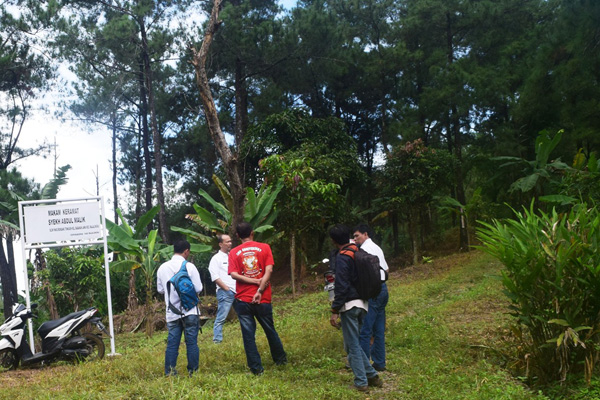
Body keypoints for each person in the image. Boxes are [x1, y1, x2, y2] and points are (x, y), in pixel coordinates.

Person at [228, 222, 287, 375]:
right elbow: (269, 270)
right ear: (252, 233)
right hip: (263, 298)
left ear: (237, 236)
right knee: (270, 330)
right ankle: (280, 360)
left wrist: (252, 282)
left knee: (248, 336)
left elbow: (234, 274)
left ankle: (256, 369)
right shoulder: (265, 247)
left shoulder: (234, 252)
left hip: (243, 299)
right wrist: (259, 287)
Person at [329, 224, 383, 392]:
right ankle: (372, 376)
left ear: (333, 241)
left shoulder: (343, 257)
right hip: (364, 304)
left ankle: (361, 381)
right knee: (355, 345)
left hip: (350, 305)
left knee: (351, 346)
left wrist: (334, 310)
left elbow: (342, 286)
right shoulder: (357, 250)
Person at [156, 239, 203, 376]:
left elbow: (160, 290)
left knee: (172, 344)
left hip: (172, 312)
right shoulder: (189, 266)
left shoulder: (162, 268)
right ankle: (193, 372)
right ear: (186, 251)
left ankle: (170, 372)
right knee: (191, 343)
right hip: (190, 311)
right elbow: (199, 288)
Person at [353, 224, 389, 372]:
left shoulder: (365, 250)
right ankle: (380, 362)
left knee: (365, 330)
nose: (355, 239)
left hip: (373, 292)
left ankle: (364, 366)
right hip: (383, 289)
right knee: (379, 329)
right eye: (353, 237)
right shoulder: (376, 247)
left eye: (357, 236)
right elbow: (386, 269)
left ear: (365, 234)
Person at [208, 234, 235, 343]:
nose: (230, 243)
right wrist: (226, 289)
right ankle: (217, 340)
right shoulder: (216, 259)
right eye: (227, 242)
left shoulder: (232, 256)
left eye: (230, 241)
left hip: (237, 291)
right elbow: (215, 277)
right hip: (225, 292)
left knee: (244, 315)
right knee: (221, 318)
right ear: (220, 244)